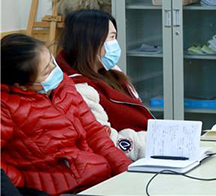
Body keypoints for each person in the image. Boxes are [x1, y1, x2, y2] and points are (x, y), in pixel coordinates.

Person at [1, 34, 131, 195]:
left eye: (52, 62)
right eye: (46, 71)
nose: (55, 70)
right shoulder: (6, 107)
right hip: (59, 190)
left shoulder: (63, 85)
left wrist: (126, 171)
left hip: (96, 177)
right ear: (21, 85)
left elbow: (94, 133)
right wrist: (18, 183)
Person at [56, 9, 152, 161]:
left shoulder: (110, 70)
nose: (115, 44)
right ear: (90, 42)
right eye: (111, 38)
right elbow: (109, 142)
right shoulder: (78, 90)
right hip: (127, 161)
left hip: (145, 151)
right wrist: (155, 140)